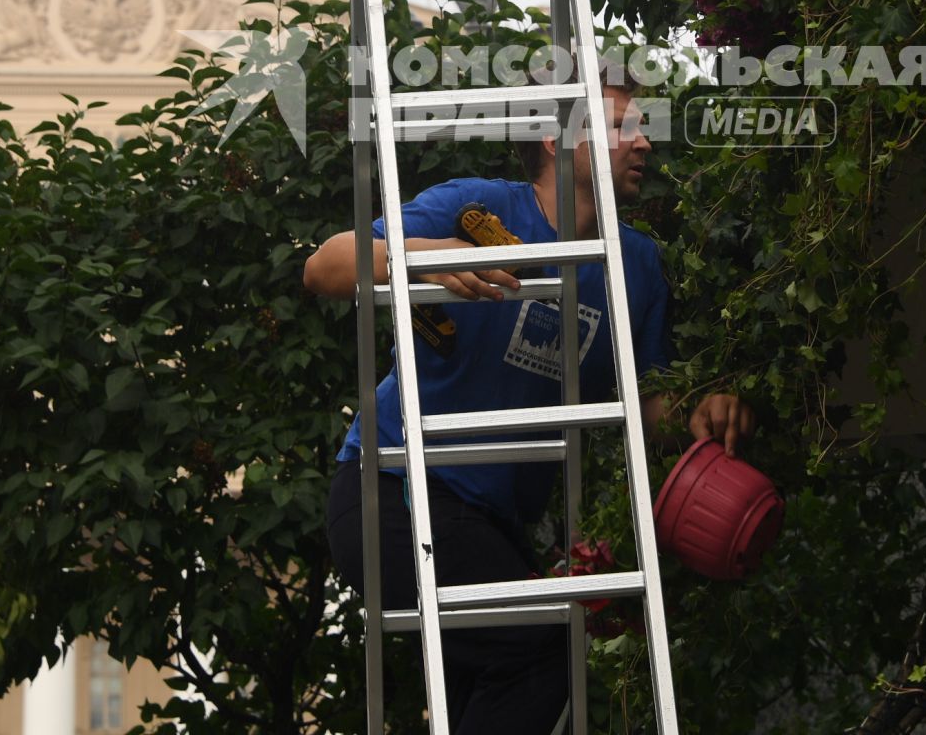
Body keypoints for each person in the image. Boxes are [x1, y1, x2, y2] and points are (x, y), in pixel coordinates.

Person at [304, 80, 753, 734]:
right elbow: (324, 268)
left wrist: (706, 413)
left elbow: (649, 406)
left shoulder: (638, 267)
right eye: (623, 126)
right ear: (555, 139)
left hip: (493, 528)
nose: (645, 143)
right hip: (395, 492)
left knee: (489, 701)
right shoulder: (475, 209)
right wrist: (433, 257)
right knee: (545, 651)